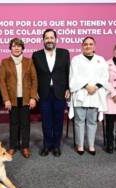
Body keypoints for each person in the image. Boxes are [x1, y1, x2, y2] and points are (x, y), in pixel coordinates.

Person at [32, 29, 70, 157]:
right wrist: (34, 91)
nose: (49, 40)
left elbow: (68, 72)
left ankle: (56, 146)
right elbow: (34, 76)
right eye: (47, 38)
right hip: (43, 93)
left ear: (55, 39)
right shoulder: (36, 55)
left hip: (60, 93)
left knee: (58, 121)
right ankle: (47, 145)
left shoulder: (64, 53)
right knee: (46, 121)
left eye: (51, 37)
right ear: (43, 40)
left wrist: (68, 88)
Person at [69, 36, 109, 155]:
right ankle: (80, 145)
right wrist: (86, 86)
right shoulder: (76, 59)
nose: (88, 46)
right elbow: (73, 77)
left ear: (94, 46)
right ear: (82, 46)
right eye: (85, 44)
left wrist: (96, 86)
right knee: (79, 121)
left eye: (90, 44)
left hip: (95, 94)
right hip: (81, 93)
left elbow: (105, 76)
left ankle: (91, 145)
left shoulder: (101, 59)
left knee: (92, 121)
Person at [0, 38, 38, 158]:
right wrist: (6, 99)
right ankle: (12, 146)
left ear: (22, 48)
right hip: (12, 100)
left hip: (26, 98)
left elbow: (34, 80)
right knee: (14, 124)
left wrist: (33, 97)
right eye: (14, 46)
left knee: (25, 124)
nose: (16, 48)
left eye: (19, 46)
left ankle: (25, 146)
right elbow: (2, 82)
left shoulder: (29, 61)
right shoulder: (5, 62)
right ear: (10, 48)